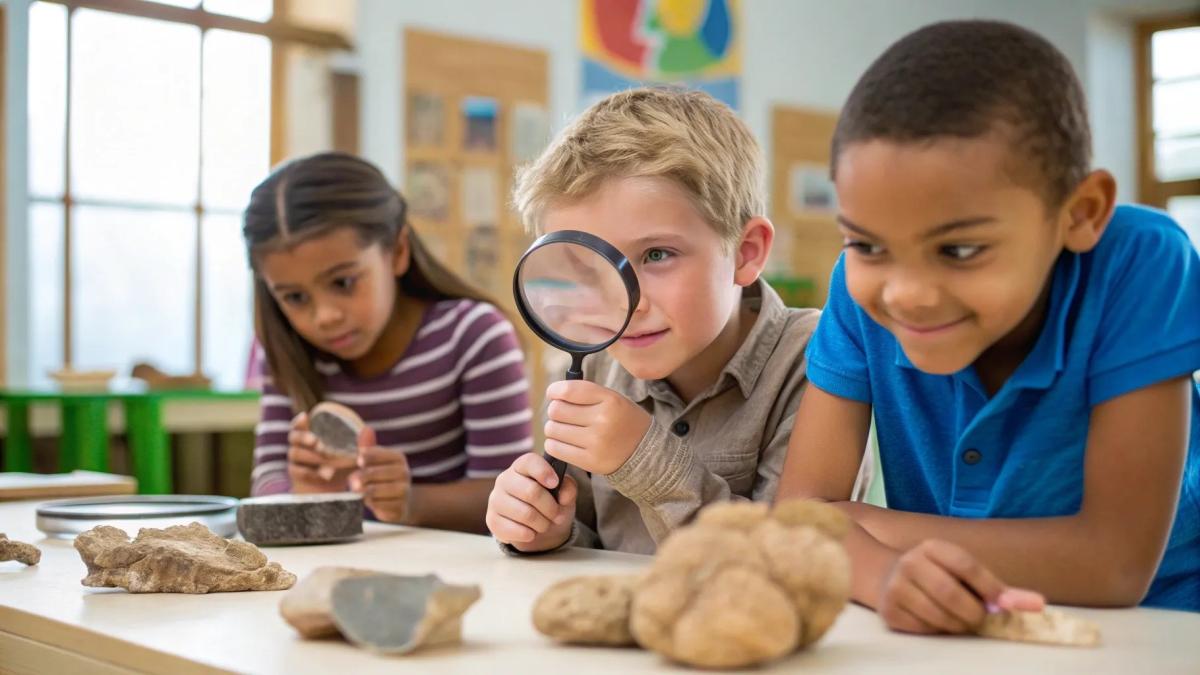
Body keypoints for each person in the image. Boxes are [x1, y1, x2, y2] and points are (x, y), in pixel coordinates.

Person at [777, 20, 1200, 629]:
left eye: (959, 250)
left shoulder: (1140, 262)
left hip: (1160, 631)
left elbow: (1114, 567)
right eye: (866, 244)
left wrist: (860, 526)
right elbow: (799, 522)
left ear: (1079, 214)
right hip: (950, 628)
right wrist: (885, 572)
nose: (908, 294)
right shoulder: (853, 286)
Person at [486, 88, 822, 554]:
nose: (628, 303)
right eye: (589, 266)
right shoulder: (597, 361)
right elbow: (587, 540)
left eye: (656, 255)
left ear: (746, 253)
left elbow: (791, 561)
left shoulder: (815, 362)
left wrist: (645, 460)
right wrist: (547, 529)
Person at [244, 152, 533, 533]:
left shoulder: (474, 336)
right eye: (295, 298)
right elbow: (266, 482)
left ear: (397, 252)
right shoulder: (284, 350)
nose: (324, 316)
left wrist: (412, 502)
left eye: (343, 282)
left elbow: (514, 498)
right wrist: (303, 492)